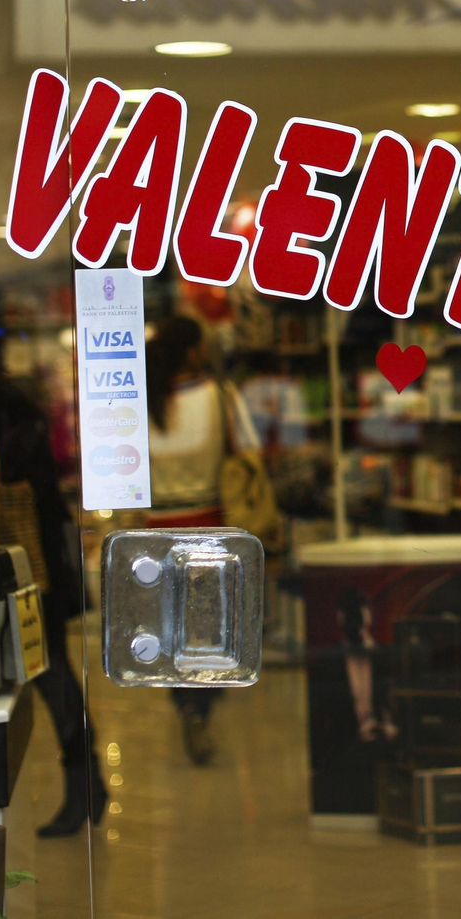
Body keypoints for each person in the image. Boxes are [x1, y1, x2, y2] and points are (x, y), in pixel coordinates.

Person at [0, 323, 106, 836]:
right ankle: (85, 783)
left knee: (51, 678)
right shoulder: (3, 403)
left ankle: (84, 781)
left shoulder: (0, 409)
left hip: (28, 572)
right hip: (26, 568)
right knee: (51, 679)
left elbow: (23, 495)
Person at [144, 315, 257, 765]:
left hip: (157, 530)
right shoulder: (219, 396)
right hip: (212, 522)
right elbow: (246, 448)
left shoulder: (144, 401)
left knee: (173, 627)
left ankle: (185, 704)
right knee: (208, 626)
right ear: (192, 351)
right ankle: (201, 706)